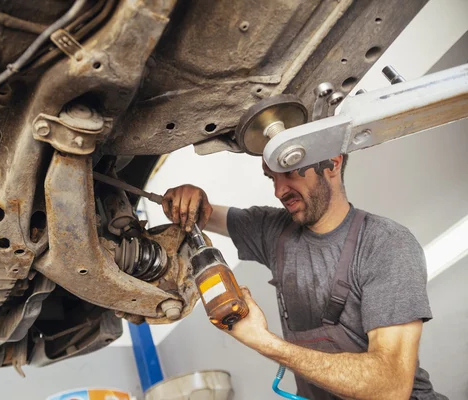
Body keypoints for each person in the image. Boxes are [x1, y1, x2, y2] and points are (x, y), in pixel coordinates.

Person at [161, 155, 446, 400]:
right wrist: (192, 199)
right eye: (271, 177)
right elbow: (204, 214)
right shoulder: (275, 231)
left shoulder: (385, 244)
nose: (279, 190)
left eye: (288, 171)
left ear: (332, 163)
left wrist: (264, 341)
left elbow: (391, 387)